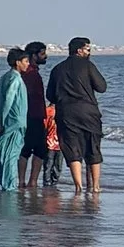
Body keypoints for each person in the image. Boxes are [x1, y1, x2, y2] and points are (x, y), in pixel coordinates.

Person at [49, 34, 107, 200]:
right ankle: (95, 187)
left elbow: (51, 95)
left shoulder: (57, 69)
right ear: (80, 50)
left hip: (66, 113)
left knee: (72, 148)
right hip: (89, 112)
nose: (90, 51)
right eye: (88, 48)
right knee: (93, 147)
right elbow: (102, 87)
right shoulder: (88, 66)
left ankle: (78, 187)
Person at [18, 42, 58, 190]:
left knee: (27, 149)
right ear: (34, 55)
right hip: (33, 115)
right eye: (42, 53)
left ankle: (24, 181)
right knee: (38, 149)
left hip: (32, 115)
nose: (45, 56)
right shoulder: (30, 73)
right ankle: (31, 181)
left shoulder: (28, 72)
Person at [0, 47, 28, 190]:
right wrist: (2, 121)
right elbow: (8, 100)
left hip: (9, 122)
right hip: (14, 123)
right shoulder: (15, 79)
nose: (27, 64)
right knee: (10, 156)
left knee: (3, 155)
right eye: (25, 61)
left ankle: (7, 185)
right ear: (18, 62)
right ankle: (10, 187)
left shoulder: (5, 77)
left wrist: (0, 118)